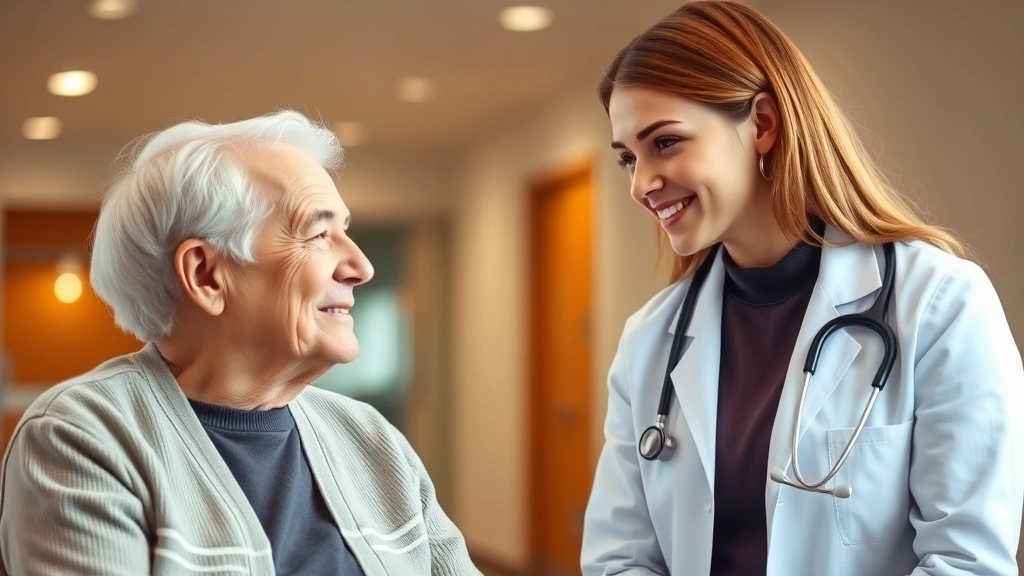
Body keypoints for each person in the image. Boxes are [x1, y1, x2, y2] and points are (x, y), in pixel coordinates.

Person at [581, 2, 1024, 575]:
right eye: (626, 159)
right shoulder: (649, 341)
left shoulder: (940, 304)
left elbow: (967, 562)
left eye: (664, 143)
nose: (642, 183)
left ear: (763, 124)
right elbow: (619, 559)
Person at [0, 110, 480, 576]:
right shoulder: (81, 437)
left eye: (345, 231)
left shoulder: (370, 439)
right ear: (207, 275)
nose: (360, 266)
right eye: (317, 234)